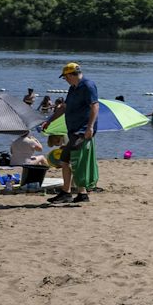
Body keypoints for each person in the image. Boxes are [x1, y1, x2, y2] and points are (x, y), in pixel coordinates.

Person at [38, 61, 99, 205]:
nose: (65, 80)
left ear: (72, 74)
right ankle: (81, 194)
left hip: (82, 131)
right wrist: (49, 120)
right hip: (73, 130)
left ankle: (67, 192)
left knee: (68, 160)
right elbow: (64, 107)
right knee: (68, 161)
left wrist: (90, 127)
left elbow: (95, 106)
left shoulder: (88, 85)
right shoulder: (73, 87)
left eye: (65, 77)